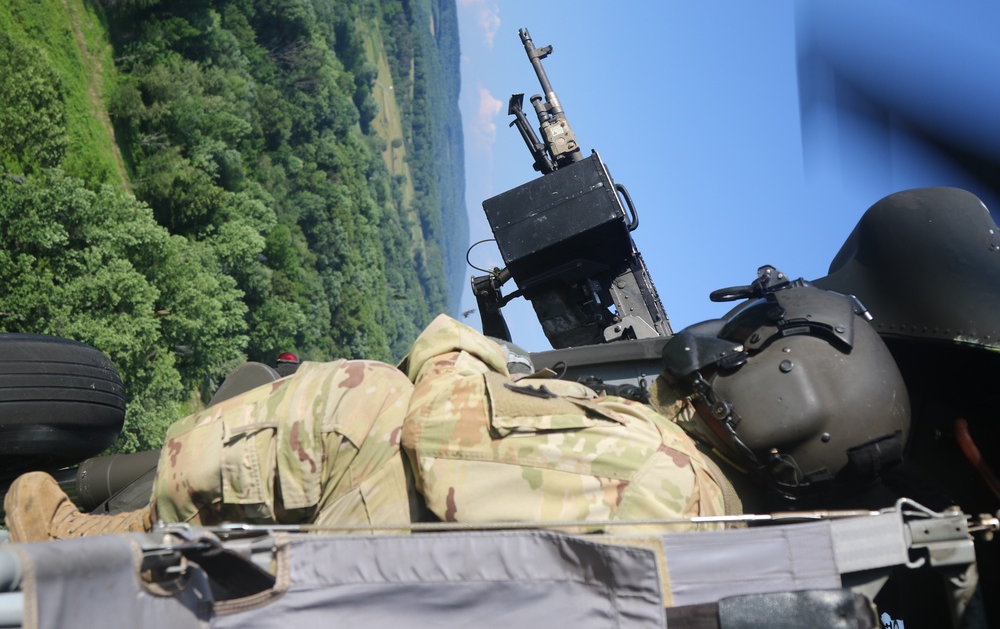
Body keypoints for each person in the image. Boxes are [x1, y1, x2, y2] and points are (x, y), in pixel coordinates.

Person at [4, 315, 729, 541]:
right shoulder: (729, 517)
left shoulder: (672, 473)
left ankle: (89, 550)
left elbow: (441, 438)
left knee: (368, 402)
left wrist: (456, 347)